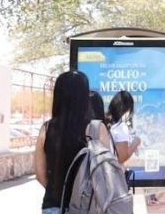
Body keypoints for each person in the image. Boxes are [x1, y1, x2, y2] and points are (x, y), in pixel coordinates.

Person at [34, 71, 111, 214]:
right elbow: (107, 172)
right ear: (84, 96)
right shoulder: (96, 128)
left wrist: (59, 193)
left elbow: (39, 173)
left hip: (53, 205)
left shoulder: (46, 129)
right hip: (88, 207)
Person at [107, 90, 141, 164]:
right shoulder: (121, 127)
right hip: (112, 172)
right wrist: (135, 143)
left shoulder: (105, 120)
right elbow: (121, 158)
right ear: (128, 109)